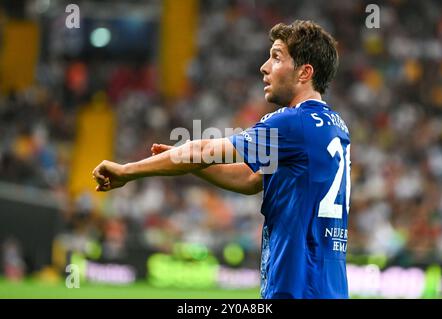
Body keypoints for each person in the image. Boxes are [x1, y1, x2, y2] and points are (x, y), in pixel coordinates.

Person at [93, 20, 351, 299]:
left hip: (299, 285)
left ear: (305, 72)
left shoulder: (293, 122)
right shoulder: (334, 126)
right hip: (329, 286)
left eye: (276, 57)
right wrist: (191, 164)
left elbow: (202, 150)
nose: (264, 67)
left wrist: (127, 171)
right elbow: (252, 179)